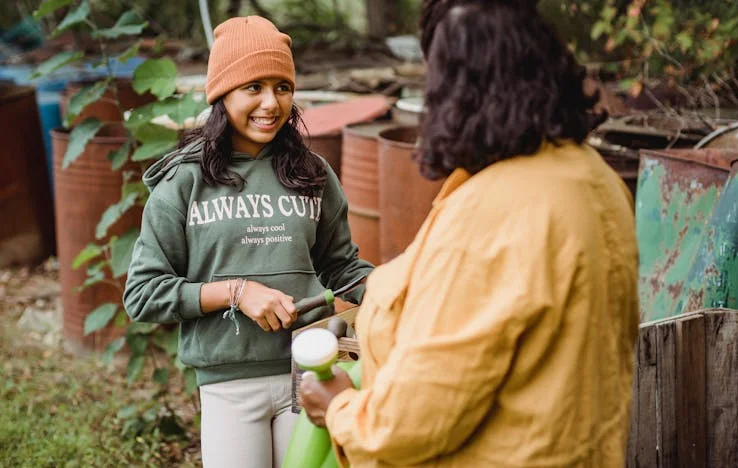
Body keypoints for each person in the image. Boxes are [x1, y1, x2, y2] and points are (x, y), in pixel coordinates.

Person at [299, 1, 640, 466]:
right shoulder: (597, 180)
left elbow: (416, 419)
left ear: (455, 92)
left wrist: (339, 409)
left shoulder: (493, 214)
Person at [122, 16, 374, 468]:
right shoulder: (184, 181)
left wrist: (398, 292)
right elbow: (143, 294)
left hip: (309, 373)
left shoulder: (312, 175)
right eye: (253, 87)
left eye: (282, 87)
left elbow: (343, 268)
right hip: (228, 385)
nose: (270, 103)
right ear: (222, 94)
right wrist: (237, 292)